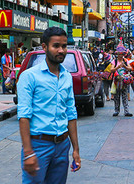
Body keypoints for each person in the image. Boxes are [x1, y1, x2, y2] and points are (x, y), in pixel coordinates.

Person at [17, 27, 80, 184]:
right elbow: (24, 116)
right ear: (44, 47)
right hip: (38, 145)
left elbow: (71, 114)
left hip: (62, 145)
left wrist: (76, 150)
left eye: (64, 46)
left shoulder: (67, 76)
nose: (61, 50)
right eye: (56, 46)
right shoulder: (29, 76)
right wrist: (28, 152)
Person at [109, 46, 133, 117]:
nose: (120, 55)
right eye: (119, 54)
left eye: (122, 54)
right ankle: (116, 111)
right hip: (117, 81)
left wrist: (125, 66)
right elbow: (111, 70)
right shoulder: (114, 61)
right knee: (116, 97)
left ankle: (126, 111)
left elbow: (130, 68)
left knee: (124, 96)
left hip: (124, 81)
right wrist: (118, 67)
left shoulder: (125, 61)